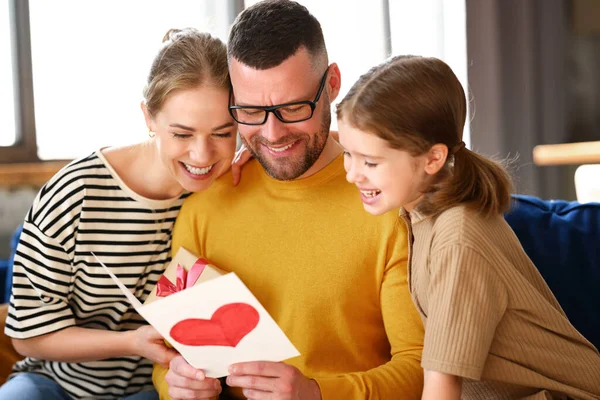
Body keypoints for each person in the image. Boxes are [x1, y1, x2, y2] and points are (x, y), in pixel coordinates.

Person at [156, 1, 425, 400]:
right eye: (250, 111)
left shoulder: (388, 202)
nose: (273, 133)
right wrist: (175, 383)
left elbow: (419, 370)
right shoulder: (206, 202)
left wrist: (318, 394)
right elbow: (169, 358)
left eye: (293, 107)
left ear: (332, 84)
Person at [0, 28, 246, 400]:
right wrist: (132, 342)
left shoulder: (228, 190)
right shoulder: (74, 194)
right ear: (148, 116)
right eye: (182, 134)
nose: (202, 155)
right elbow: (27, 336)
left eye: (223, 134)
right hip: (55, 385)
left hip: (157, 388)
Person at [336, 54, 600, 399]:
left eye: (369, 162)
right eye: (347, 154)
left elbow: (442, 387)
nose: (351, 173)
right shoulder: (421, 210)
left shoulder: (457, 238)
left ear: (433, 158)